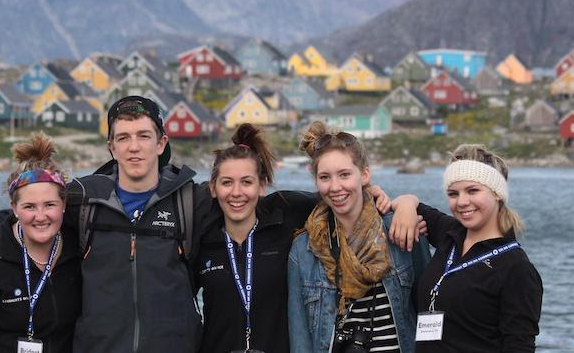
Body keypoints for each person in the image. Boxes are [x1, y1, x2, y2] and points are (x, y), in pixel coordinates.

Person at [0, 96, 210, 352]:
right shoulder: (84, 199)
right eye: (123, 137)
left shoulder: (190, 201)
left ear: (161, 143)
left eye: (144, 135)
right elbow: (27, 214)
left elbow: (242, 205)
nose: (134, 146)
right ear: (111, 147)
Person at [195, 123, 400, 353]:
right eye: (226, 182)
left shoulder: (287, 214)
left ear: (262, 186)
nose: (236, 192)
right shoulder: (201, 239)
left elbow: (337, 196)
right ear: (212, 188)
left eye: (247, 181)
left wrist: (397, 201)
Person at [288, 121, 428, 353]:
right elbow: (300, 338)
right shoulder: (304, 250)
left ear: (364, 175)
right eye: (325, 177)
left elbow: (427, 309)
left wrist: (408, 202)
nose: (335, 187)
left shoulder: (401, 230)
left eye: (344, 175)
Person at [388, 144, 543, 352]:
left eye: (473, 191)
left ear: (497, 193)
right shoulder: (451, 233)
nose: (462, 202)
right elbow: (408, 201)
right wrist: (406, 208)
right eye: (453, 194)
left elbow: (520, 346)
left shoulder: (516, 269)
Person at [0, 132, 81, 353]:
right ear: (14, 207)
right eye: (29, 206)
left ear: (64, 203)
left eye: (49, 205)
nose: (40, 216)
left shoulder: (79, 249)